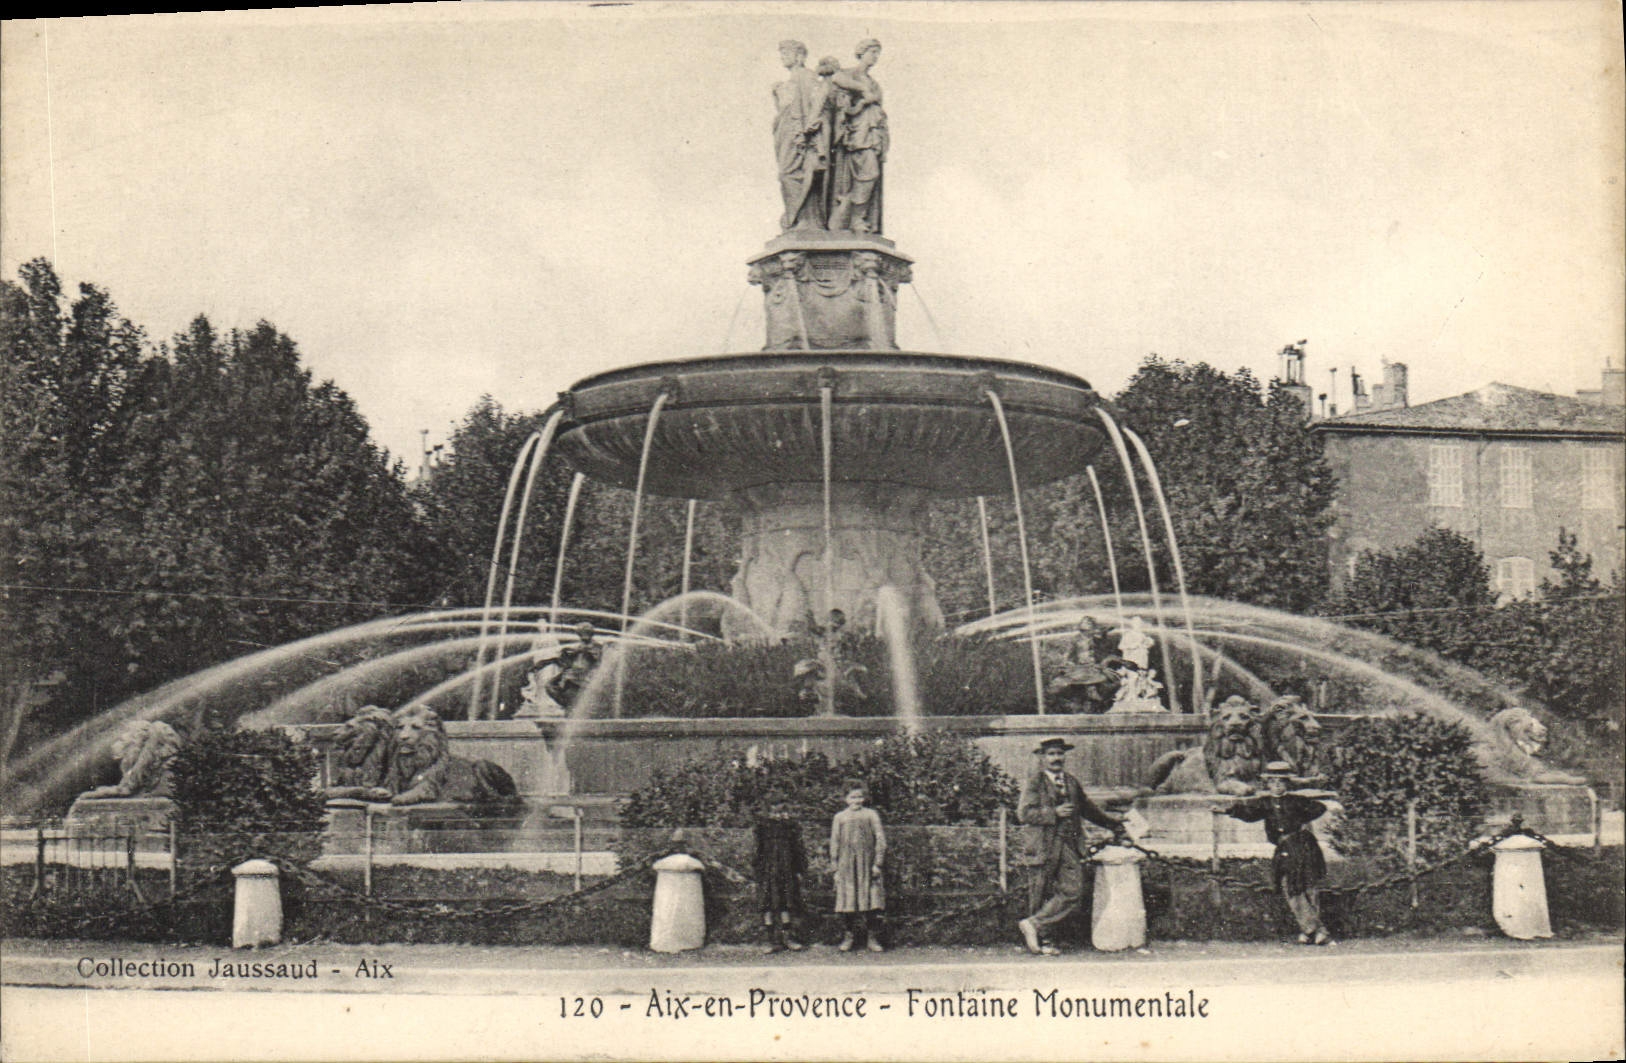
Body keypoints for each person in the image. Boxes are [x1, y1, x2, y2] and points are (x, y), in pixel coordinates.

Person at [1016, 738, 1125, 955]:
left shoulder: (1071, 782)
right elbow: (1024, 814)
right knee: (1042, 891)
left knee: (1073, 890)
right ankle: (1043, 941)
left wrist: (1115, 824)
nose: (1056, 758)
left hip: (1068, 844)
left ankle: (1034, 924)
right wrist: (1052, 813)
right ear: (1042, 758)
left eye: (1059, 754)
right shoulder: (1035, 782)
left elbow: (1088, 809)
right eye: (1051, 754)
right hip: (1043, 844)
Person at [1213, 761, 1335, 946]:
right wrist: (1226, 810)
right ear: (1267, 784)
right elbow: (1248, 811)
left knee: (1309, 887)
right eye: (1273, 781)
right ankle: (1315, 930)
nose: (1277, 785)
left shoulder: (1296, 800)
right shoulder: (1265, 803)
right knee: (1290, 886)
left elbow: (1319, 807)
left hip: (1303, 845)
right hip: (1285, 848)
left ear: (1287, 784)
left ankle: (1310, 932)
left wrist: (1301, 820)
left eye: (1281, 782)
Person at [828, 39, 887, 234]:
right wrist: (862, 92)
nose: (875, 56)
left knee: (870, 175)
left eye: (878, 53)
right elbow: (836, 79)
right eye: (872, 52)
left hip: (872, 133)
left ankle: (857, 216)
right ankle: (855, 218)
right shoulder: (851, 74)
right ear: (861, 52)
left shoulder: (874, 83)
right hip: (857, 136)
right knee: (868, 174)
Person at [772, 40, 832, 231]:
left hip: (800, 138)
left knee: (792, 174)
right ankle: (796, 218)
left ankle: (805, 218)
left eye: (786, 53)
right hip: (785, 135)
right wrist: (777, 93)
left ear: (800, 56)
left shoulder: (806, 76)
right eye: (781, 54)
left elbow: (820, 100)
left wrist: (810, 127)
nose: (783, 57)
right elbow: (784, 109)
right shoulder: (788, 82)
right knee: (786, 174)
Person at [830, 778, 886, 952]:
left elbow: (880, 839)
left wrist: (877, 863)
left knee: (871, 900)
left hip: (867, 864)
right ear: (846, 799)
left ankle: (872, 938)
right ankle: (849, 936)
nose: (857, 801)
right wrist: (835, 867)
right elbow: (835, 842)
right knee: (848, 901)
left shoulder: (871, 814)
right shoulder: (840, 817)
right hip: (846, 865)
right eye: (853, 797)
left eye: (860, 797)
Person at [753, 790, 807, 954]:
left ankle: (788, 938)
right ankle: (770, 940)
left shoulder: (790, 828)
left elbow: (798, 850)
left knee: (786, 904)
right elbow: (758, 851)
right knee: (767, 905)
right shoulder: (762, 827)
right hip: (768, 870)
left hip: (786, 870)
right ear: (768, 811)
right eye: (773, 811)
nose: (777, 814)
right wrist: (758, 870)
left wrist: (799, 869)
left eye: (781, 811)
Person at [1045, 617, 1117, 711]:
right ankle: (1089, 693)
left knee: (1102, 678)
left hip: (1093, 665)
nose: (1087, 624)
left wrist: (1106, 630)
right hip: (1081, 666)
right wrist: (1066, 662)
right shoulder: (1076, 639)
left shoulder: (1094, 638)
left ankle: (1093, 693)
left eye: (1089, 623)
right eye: (1085, 623)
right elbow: (1069, 653)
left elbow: (1104, 634)